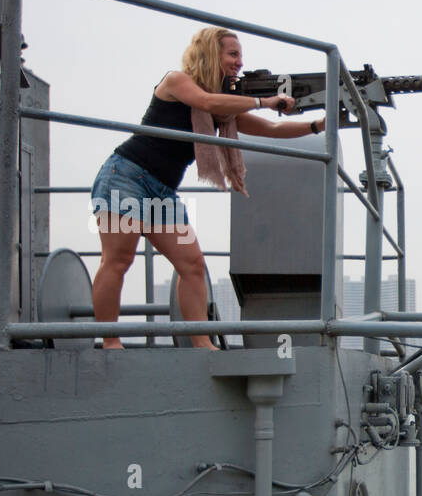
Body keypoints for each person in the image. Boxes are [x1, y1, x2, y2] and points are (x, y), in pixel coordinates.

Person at [89, 26, 326, 349]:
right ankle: (110, 342)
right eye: (233, 54)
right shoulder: (177, 81)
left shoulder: (222, 110)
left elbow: (271, 129)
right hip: (126, 176)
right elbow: (204, 99)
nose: (239, 63)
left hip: (162, 192)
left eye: (240, 56)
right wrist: (261, 100)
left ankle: (202, 344)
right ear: (210, 54)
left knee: (192, 264)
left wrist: (318, 125)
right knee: (118, 260)